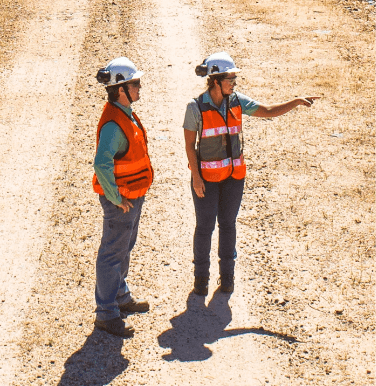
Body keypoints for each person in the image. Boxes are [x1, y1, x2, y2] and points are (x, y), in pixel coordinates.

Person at [184, 52, 319, 296]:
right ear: (216, 80)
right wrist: (196, 177)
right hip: (207, 180)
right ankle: (201, 279)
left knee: (228, 224)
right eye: (230, 79)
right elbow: (189, 147)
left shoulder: (237, 101)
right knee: (204, 227)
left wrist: (296, 101)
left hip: (234, 178)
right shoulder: (194, 108)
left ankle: (227, 278)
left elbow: (267, 110)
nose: (234, 84)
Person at [93, 57, 153, 337]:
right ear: (121, 89)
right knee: (112, 254)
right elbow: (101, 164)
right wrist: (115, 197)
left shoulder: (124, 112)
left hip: (131, 197)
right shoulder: (113, 124)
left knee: (123, 248)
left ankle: (120, 296)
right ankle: (106, 313)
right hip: (122, 201)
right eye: (135, 84)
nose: (140, 88)